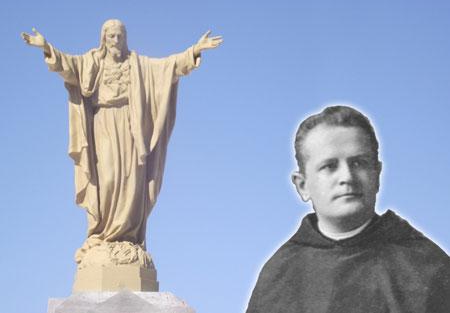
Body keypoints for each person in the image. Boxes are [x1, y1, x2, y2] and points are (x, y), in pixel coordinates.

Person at [21, 20, 223, 266]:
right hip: (103, 123)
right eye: (111, 37)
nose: (116, 41)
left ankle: (127, 239)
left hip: (131, 129)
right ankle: (104, 236)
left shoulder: (138, 65)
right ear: (103, 39)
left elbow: (169, 66)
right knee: (107, 180)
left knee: (132, 183)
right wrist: (47, 48)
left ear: (125, 38)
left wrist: (194, 51)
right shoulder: (92, 62)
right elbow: (68, 66)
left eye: (120, 36)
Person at [246, 105, 450, 313]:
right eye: (330, 166)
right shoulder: (280, 272)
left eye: (358, 163)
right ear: (303, 185)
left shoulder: (427, 266)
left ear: (377, 174)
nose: (347, 177)